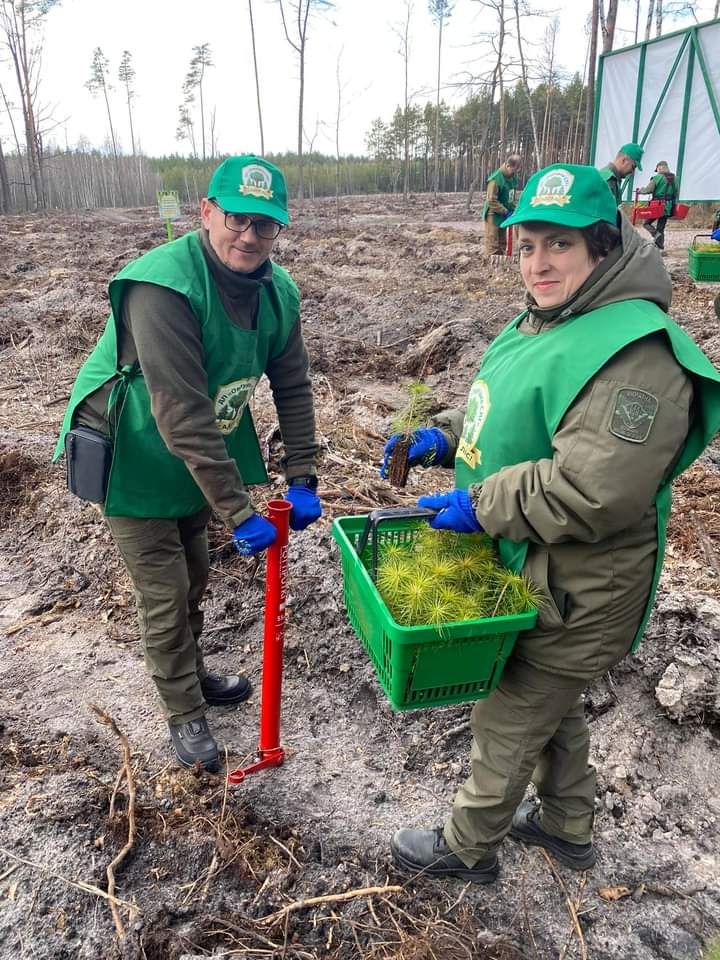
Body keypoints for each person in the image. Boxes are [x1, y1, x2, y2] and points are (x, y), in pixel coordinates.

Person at [381, 163, 720, 883]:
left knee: (509, 714)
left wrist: (479, 503)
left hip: (583, 587)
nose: (538, 261)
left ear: (600, 247)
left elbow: (593, 488)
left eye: (558, 245)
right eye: (527, 243)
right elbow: (506, 409)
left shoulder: (638, 353)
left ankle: (466, 847)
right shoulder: (548, 318)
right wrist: (445, 437)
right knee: (545, 705)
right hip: (535, 564)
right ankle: (567, 827)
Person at [54, 155, 321, 773]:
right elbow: (178, 410)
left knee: (196, 570)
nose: (250, 236)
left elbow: (293, 385)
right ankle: (182, 710)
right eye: (237, 218)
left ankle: (192, 673)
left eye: (266, 225)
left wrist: (304, 475)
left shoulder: (277, 292)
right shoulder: (163, 286)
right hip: (135, 451)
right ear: (206, 212)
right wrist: (239, 510)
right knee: (166, 593)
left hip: (196, 452)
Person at [481, 154, 521, 256]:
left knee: (502, 242)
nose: (515, 173)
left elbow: (511, 197)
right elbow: (491, 200)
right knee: (493, 243)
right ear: (508, 166)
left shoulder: (512, 178)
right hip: (493, 214)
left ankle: (502, 263)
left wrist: (514, 209)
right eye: (514, 169)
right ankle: (491, 266)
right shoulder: (496, 179)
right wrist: (505, 211)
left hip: (504, 213)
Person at [637, 160, 677, 250]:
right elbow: (676, 192)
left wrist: (640, 191)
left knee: (646, 223)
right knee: (661, 227)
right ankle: (660, 246)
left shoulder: (657, 178)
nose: (657, 171)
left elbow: (648, 190)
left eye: (657, 169)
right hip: (669, 206)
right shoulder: (675, 178)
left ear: (660, 167)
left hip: (657, 205)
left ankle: (656, 235)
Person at [598, 142, 643, 206]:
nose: (632, 172)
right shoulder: (610, 180)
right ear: (624, 160)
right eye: (633, 167)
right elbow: (606, 213)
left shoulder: (605, 174)